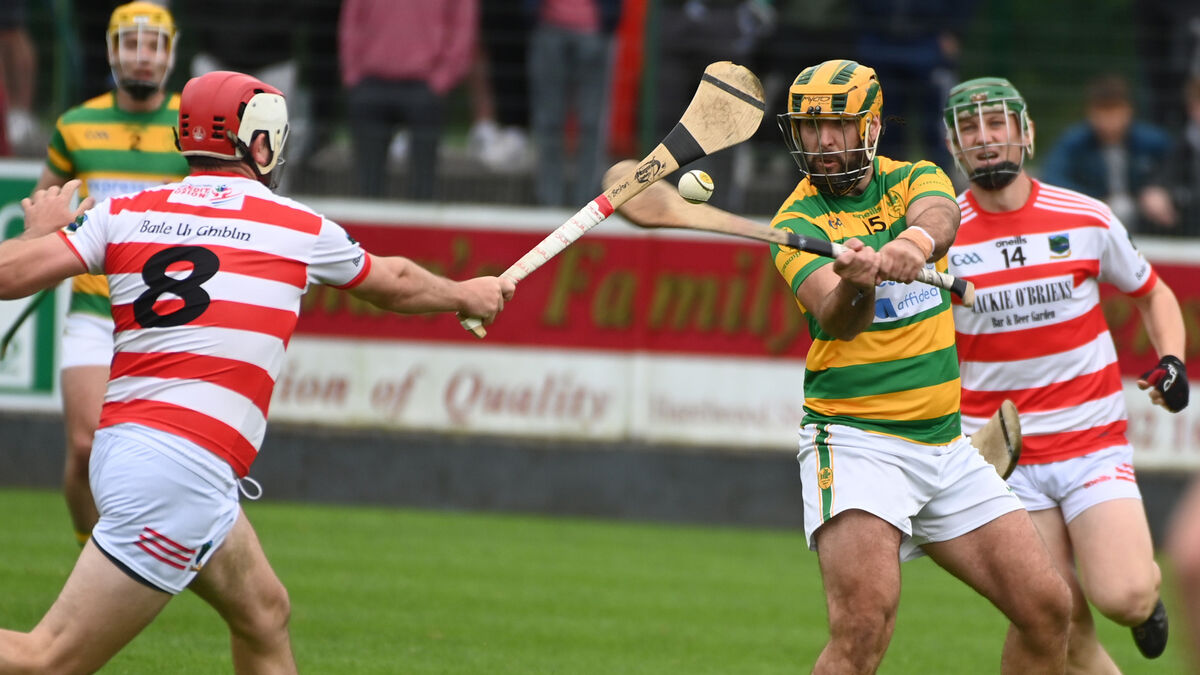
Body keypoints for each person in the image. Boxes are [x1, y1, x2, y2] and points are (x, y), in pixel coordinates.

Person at [0, 68, 514, 673]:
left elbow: (9, 275)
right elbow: (395, 282)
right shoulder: (293, 226)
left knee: (264, 614)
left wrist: (36, 235)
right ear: (260, 144)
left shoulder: (126, 213)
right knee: (47, 659)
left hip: (138, 451)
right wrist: (465, 293)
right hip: (179, 469)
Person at [769, 59, 1071, 673]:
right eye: (809, 127)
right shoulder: (794, 223)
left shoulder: (912, 176)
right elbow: (837, 319)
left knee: (1048, 609)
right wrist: (858, 284)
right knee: (862, 630)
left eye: (838, 125)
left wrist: (912, 244)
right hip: (857, 443)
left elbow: (941, 214)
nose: (822, 141)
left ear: (871, 127)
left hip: (945, 446)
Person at [943, 76, 1188, 669]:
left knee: (1124, 597)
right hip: (1003, 458)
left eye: (997, 123)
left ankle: (1144, 598)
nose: (985, 138)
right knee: (1059, 619)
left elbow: (1152, 294)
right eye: (969, 128)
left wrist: (1172, 362)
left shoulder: (1084, 217)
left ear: (1026, 132)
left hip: (1091, 444)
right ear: (953, 146)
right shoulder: (937, 237)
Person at [35, 1, 190, 548]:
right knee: (85, 447)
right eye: (130, 43)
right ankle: (91, 553)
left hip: (166, 315)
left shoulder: (191, 126)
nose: (142, 56)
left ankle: (144, 559)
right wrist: (53, 229)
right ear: (111, 50)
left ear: (170, 54)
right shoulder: (76, 126)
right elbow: (43, 208)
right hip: (95, 308)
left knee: (162, 456)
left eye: (154, 45)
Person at [338, 0, 478, 200]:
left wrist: (442, 79)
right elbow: (351, 19)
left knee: (423, 189)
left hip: (425, 86)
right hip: (370, 83)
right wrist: (353, 74)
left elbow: (463, 26)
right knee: (367, 189)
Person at [1041, 74, 1176, 235]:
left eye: (1114, 111)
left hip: (1147, 221)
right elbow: (1053, 178)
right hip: (1091, 222)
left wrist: (1158, 188)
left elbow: (1178, 168)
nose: (1108, 120)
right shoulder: (1073, 143)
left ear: (1129, 110)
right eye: (1102, 112)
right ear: (1090, 112)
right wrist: (1092, 202)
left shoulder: (1154, 142)